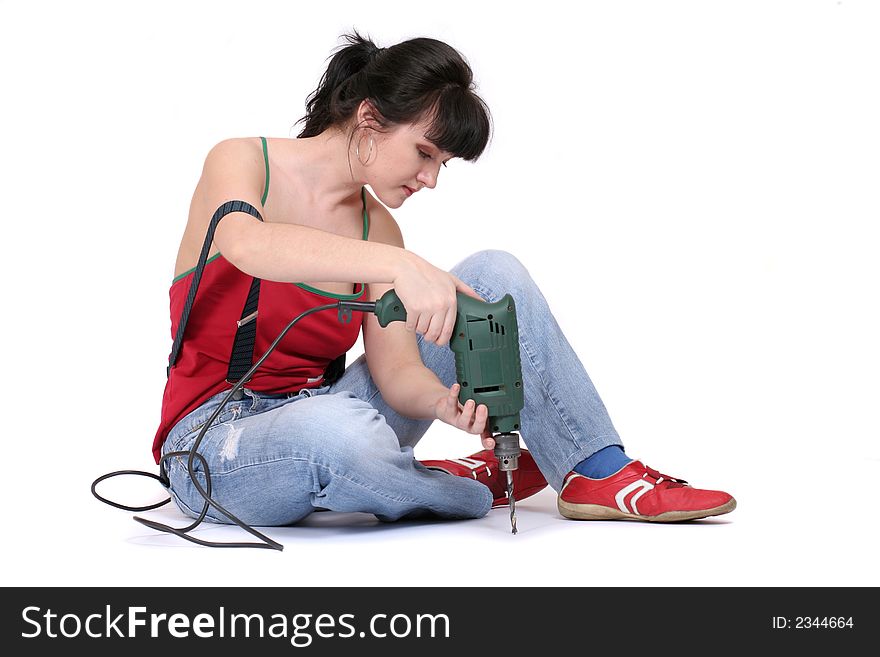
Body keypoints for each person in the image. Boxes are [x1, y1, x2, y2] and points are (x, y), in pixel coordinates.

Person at [155, 31, 735, 532]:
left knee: (491, 275)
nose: (430, 179)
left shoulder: (377, 227)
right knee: (335, 434)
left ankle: (596, 472)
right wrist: (399, 268)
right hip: (212, 442)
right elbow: (248, 245)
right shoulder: (242, 162)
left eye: (443, 165)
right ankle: (456, 489)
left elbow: (397, 372)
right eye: (425, 153)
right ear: (368, 121)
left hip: (330, 408)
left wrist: (442, 404)